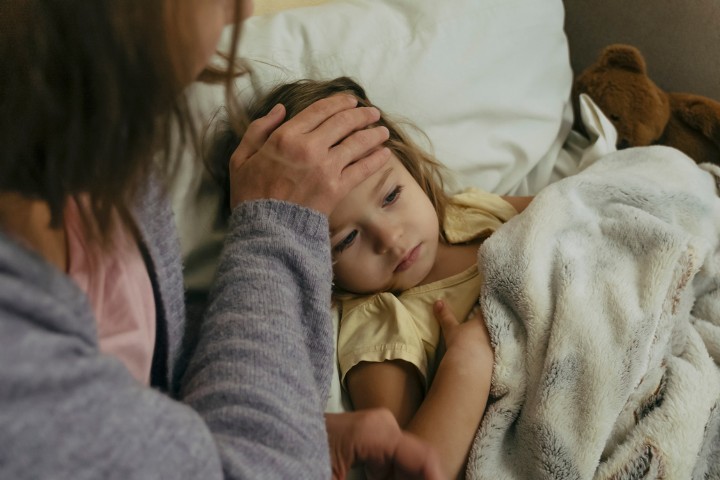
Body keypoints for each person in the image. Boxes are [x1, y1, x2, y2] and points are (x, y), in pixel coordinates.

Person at [0, 1, 443, 479]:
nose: (242, 11)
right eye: (345, 238)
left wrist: (274, 428)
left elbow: (135, 375)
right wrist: (279, 223)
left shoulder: (99, 133)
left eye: (392, 194)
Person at [209, 77, 534, 478]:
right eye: (346, 240)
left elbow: (580, 209)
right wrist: (467, 362)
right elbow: (411, 465)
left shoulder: (469, 210)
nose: (389, 238)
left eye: (391, 196)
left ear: (409, 164)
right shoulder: (380, 320)